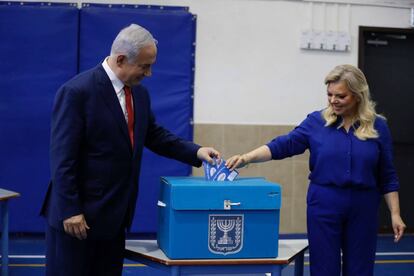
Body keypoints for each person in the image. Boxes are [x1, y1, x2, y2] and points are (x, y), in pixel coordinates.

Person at [40, 23, 220, 276]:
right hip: (76, 221)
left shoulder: (139, 94)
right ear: (122, 60)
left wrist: (196, 151)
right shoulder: (77, 92)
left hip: (114, 220)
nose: (149, 74)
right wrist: (71, 210)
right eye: (145, 66)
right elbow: (62, 158)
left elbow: (154, 135)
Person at [226, 64, 406, 276]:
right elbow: (283, 145)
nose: (333, 100)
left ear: (358, 96)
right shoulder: (315, 122)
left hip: (364, 207)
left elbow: (387, 175)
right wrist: (248, 158)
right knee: (324, 268)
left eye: (341, 96)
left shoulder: (379, 127)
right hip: (324, 204)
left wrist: (395, 214)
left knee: (360, 269)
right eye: (329, 94)